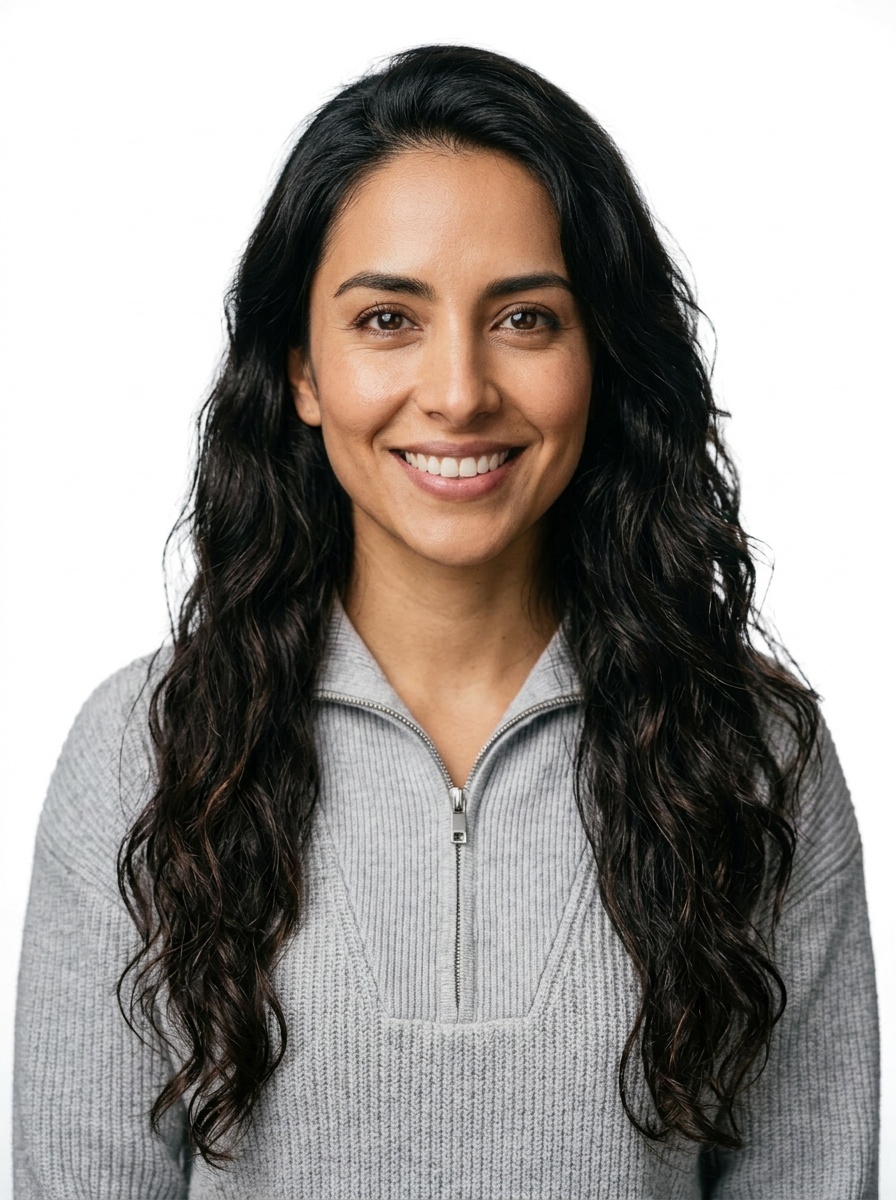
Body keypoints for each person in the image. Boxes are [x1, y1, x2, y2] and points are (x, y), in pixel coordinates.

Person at [13, 44, 879, 1200]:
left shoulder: (754, 758)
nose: (460, 389)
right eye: (386, 320)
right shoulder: (143, 752)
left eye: (523, 316)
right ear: (302, 372)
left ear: (598, 358)